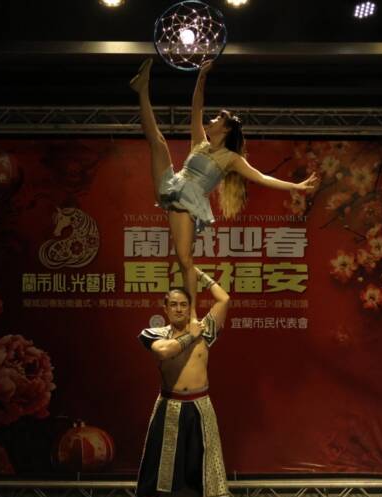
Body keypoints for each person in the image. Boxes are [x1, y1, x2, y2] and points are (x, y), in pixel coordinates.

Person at [129, 58, 319, 316]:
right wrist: (201, 76)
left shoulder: (231, 158)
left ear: (227, 128)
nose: (213, 119)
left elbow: (261, 177)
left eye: (219, 118)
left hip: (189, 202)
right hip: (173, 186)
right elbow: (196, 106)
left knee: (184, 260)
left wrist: (296, 186)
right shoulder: (200, 142)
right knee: (158, 142)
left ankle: (192, 314)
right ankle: (142, 89)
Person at [121, 267, 233, 497]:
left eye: (184, 304)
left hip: (200, 407)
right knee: (152, 468)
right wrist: (191, 335)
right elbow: (165, 351)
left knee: (208, 469)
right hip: (169, 406)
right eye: (174, 304)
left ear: (189, 306)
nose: (179, 309)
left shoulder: (206, 330)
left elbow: (224, 299)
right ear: (165, 308)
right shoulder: (155, 333)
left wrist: (197, 272)